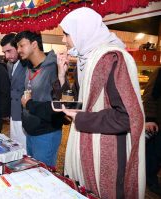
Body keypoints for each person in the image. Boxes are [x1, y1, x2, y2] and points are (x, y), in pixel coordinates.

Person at [52, 8, 145, 199]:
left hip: (107, 154)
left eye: (66, 34)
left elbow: (127, 116)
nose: (64, 40)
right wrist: (62, 76)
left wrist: (83, 119)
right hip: (84, 145)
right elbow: (77, 104)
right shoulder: (85, 60)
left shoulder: (112, 58)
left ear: (82, 31)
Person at [15, 31, 64, 168]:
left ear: (34, 44)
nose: (18, 50)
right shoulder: (29, 68)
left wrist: (29, 104)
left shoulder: (54, 69)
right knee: (33, 173)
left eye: (21, 46)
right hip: (31, 132)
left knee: (44, 176)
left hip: (46, 134)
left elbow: (58, 106)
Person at [0, 33, 27, 149]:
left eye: (9, 51)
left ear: (18, 47)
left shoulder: (28, 65)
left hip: (24, 115)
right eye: (4, 52)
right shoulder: (10, 65)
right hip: (14, 114)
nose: (7, 56)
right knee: (15, 146)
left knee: (25, 149)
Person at [143, 68, 161, 196]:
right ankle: (150, 180)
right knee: (155, 154)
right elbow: (149, 95)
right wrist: (149, 119)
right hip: (158, 122)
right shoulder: (159, 72)